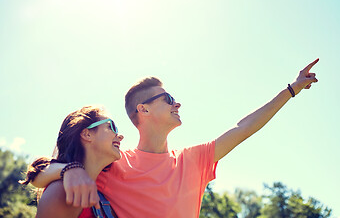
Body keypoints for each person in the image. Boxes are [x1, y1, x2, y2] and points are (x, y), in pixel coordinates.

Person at [31, 59, 319, 218]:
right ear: (142, 110)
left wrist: (291, 90)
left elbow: (243, 128)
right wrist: (72, 169)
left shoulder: (193, 161)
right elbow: (41, 175)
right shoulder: (114, 164)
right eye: (168, 99)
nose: (176, 104)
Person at [21, 105, 124, 218]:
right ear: (87, 134)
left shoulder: (103, 199)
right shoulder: (62, 191)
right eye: (111, 126)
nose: (120, 136)